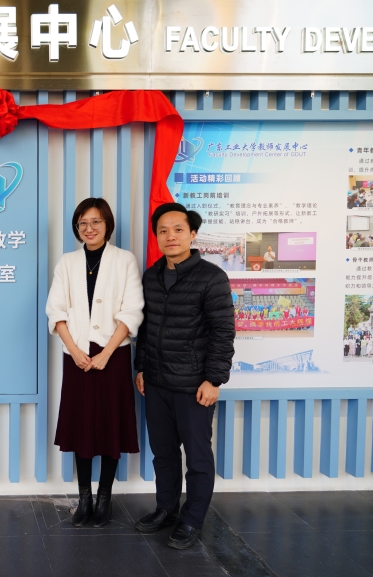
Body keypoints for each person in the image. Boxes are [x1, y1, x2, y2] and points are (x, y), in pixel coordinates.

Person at [133, 203, 235, 550]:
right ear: (156, 236)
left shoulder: (211, 277)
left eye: (178, 229)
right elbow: (146, 327)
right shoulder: (151, 276)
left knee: (197, 457)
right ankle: (166, 508)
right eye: (163, 230)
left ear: (192, 234)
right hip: (156, 382)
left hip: (194, 386)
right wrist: (141, 367)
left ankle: (192, 519)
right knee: (163, 453)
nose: (170, 236)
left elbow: (223, 332)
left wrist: (214, 379)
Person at [45, 198, 144, 528]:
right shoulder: (67, 262)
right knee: (81, 427)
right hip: (77, 356)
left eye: (96, 222)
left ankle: (105, 498)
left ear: (107, 225)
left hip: (113, 356)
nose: (89, 228)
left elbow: (132, 311)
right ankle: (84, 498)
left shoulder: (124, 260)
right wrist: (73, 350)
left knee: (110, 425)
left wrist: (106, 353)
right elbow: (56, 309)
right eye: (83, 223)